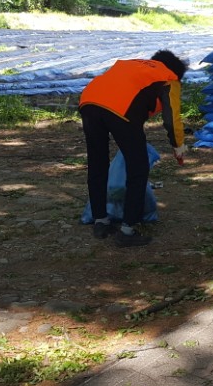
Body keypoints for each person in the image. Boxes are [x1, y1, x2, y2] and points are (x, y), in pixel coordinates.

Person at [78, 50, 188, 246]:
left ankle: (100, 221)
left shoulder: (133, 65)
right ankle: (127, 230)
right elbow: (172, 119)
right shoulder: (169, 77)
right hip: (121, 110)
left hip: (89, 101)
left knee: (97, 163)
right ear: (177, 73)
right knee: (138, 167)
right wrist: (178, 146)